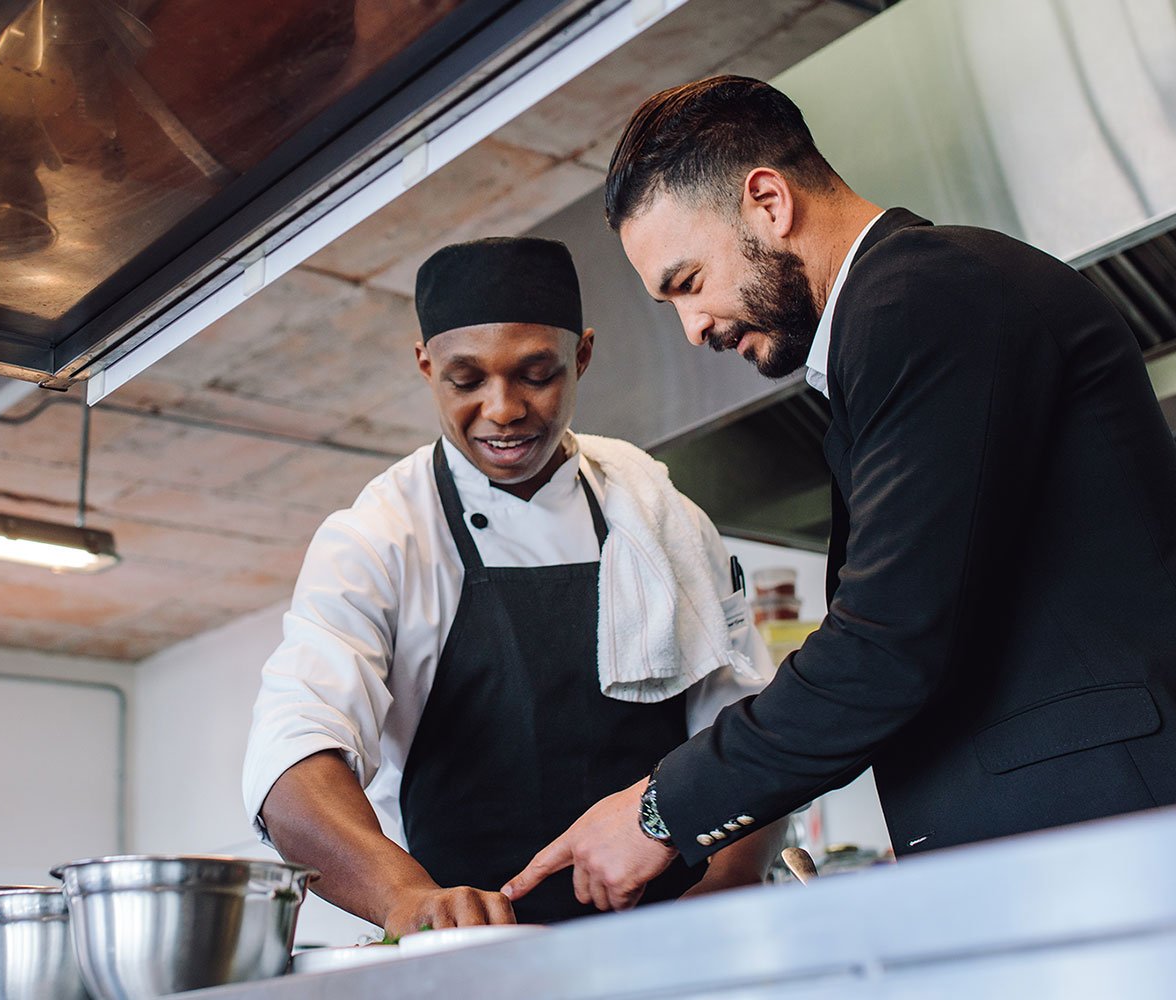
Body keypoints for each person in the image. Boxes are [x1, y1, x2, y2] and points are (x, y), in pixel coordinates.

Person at [503, 76, 1176, 912]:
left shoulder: (925, 296)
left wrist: (659, 811)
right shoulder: (893, 322)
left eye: (687, 282)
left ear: (766, 201)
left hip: (1165, 846)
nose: (694, 330)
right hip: (1115, 854)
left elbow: (890, 641)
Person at [244, 236, 779, 933]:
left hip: (679, 940)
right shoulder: (379, 538)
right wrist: (403, 897)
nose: (503, 410)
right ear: (425, 365)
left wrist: (732, 882)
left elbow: (745, 728)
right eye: (466, 381)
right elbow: (292, 760)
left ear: (581, 355)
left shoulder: (658, 513)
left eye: (536, 373)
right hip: (480, 954)